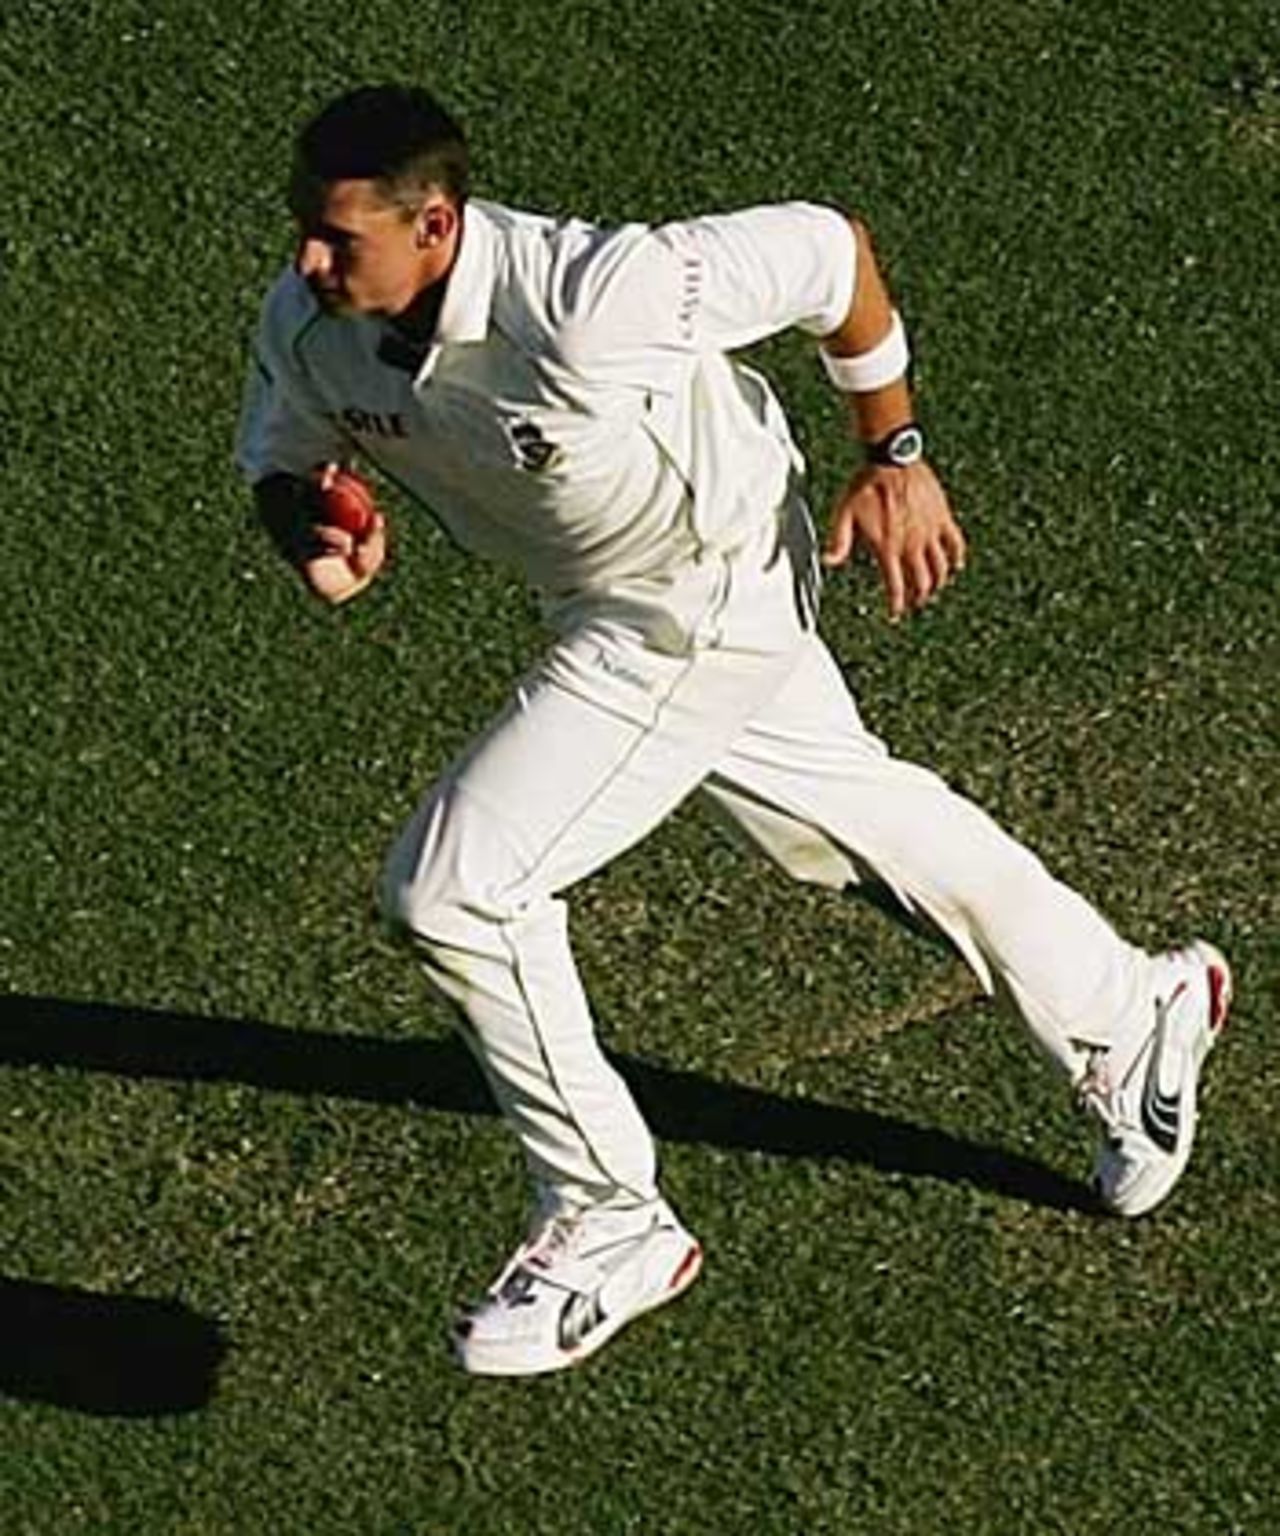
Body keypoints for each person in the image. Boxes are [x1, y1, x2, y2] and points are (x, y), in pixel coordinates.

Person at [236, 84, 1232, 1377]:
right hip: (603, 593)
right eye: (304, 232)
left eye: (338, 238)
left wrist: (898, 452)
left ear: (437, 225)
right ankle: (1128, 1008)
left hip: (699, 591)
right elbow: (287, 452)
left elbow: (833, 254)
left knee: (455, 890)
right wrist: (311, 529)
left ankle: (608, 1214)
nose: (309, 262)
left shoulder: (596, 296)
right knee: (838, 819)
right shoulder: (311, 317)